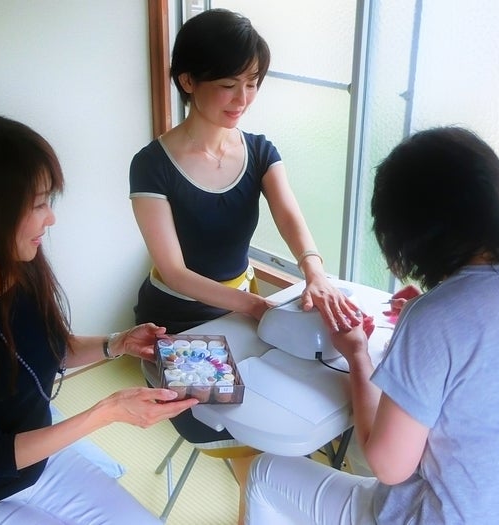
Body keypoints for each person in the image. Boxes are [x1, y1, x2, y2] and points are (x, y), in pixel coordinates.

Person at [245, 127, 499, 524]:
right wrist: (429, 316)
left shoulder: (437, 318)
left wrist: (357, 354)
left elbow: (388, 467)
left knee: (266, 472)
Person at [0, 113, 198, 525]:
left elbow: (52, 348)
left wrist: (117, 342)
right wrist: (107, 411)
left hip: (39, 460)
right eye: (38, 205)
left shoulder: (18, 267)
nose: (50, 219)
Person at [128, 9, 360, 520]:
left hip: (244, 306)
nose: (243, 99)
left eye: (253, 83)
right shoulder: (151, 165)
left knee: (313, 399)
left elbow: (291, 218)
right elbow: (175, 271)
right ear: (188, 81)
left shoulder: (259, 151)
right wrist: (256, 307)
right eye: (229, 85)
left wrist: (315, 273)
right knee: (254, 432)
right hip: (177, 323)